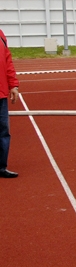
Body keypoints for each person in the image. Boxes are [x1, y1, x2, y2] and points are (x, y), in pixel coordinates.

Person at [1, 29, 20, 178]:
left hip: (1, 94)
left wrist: (13, 85)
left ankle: (1, 167)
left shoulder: (0, 35)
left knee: (3, 131)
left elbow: (7, 61)